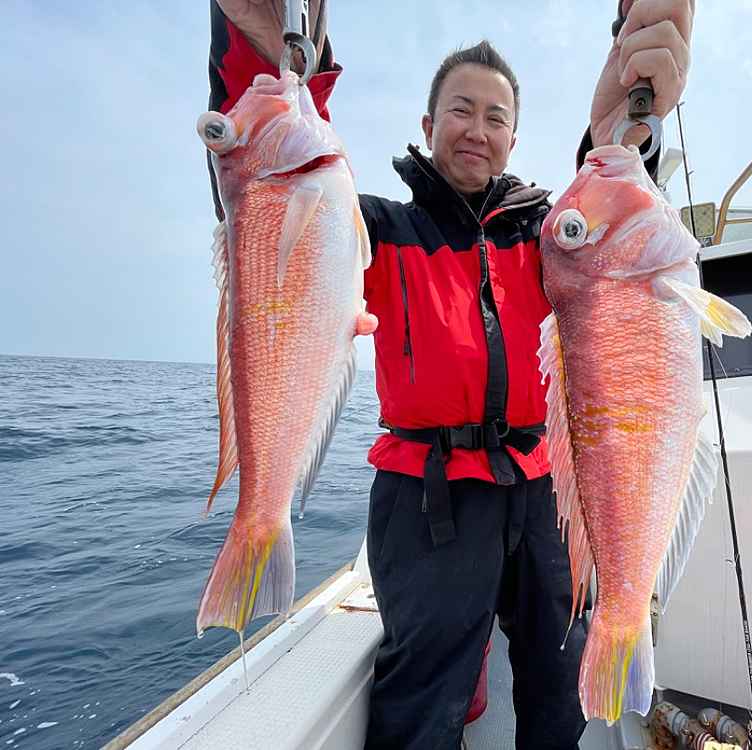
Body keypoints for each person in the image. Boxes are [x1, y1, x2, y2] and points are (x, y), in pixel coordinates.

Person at [207, 2, 694, 748]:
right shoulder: (378, 227)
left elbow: (612, 243)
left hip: (540, 489)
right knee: (425, 691)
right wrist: (261, 51)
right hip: (426, 497)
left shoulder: (546, 237)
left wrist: (625, 130)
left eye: (496, 117)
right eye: (461, 110)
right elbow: (269, 205)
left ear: (513, 139)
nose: (477, 129)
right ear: (429, 124)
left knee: (560, 677)